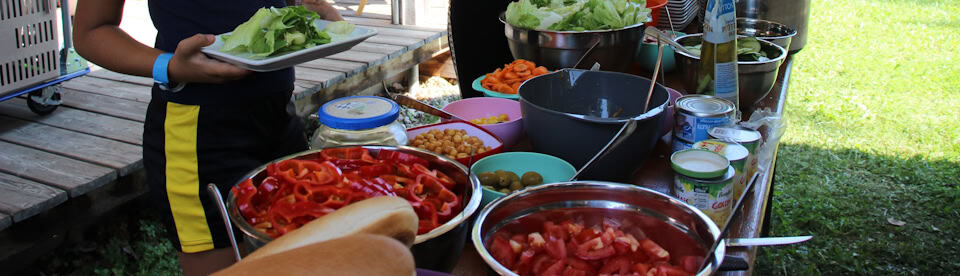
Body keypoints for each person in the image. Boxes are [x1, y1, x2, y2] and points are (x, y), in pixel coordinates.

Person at [73, 1, 343, 275]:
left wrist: (311, 8)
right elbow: (90, 32)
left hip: (281, 117)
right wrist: (169, 66)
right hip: (198, 136)